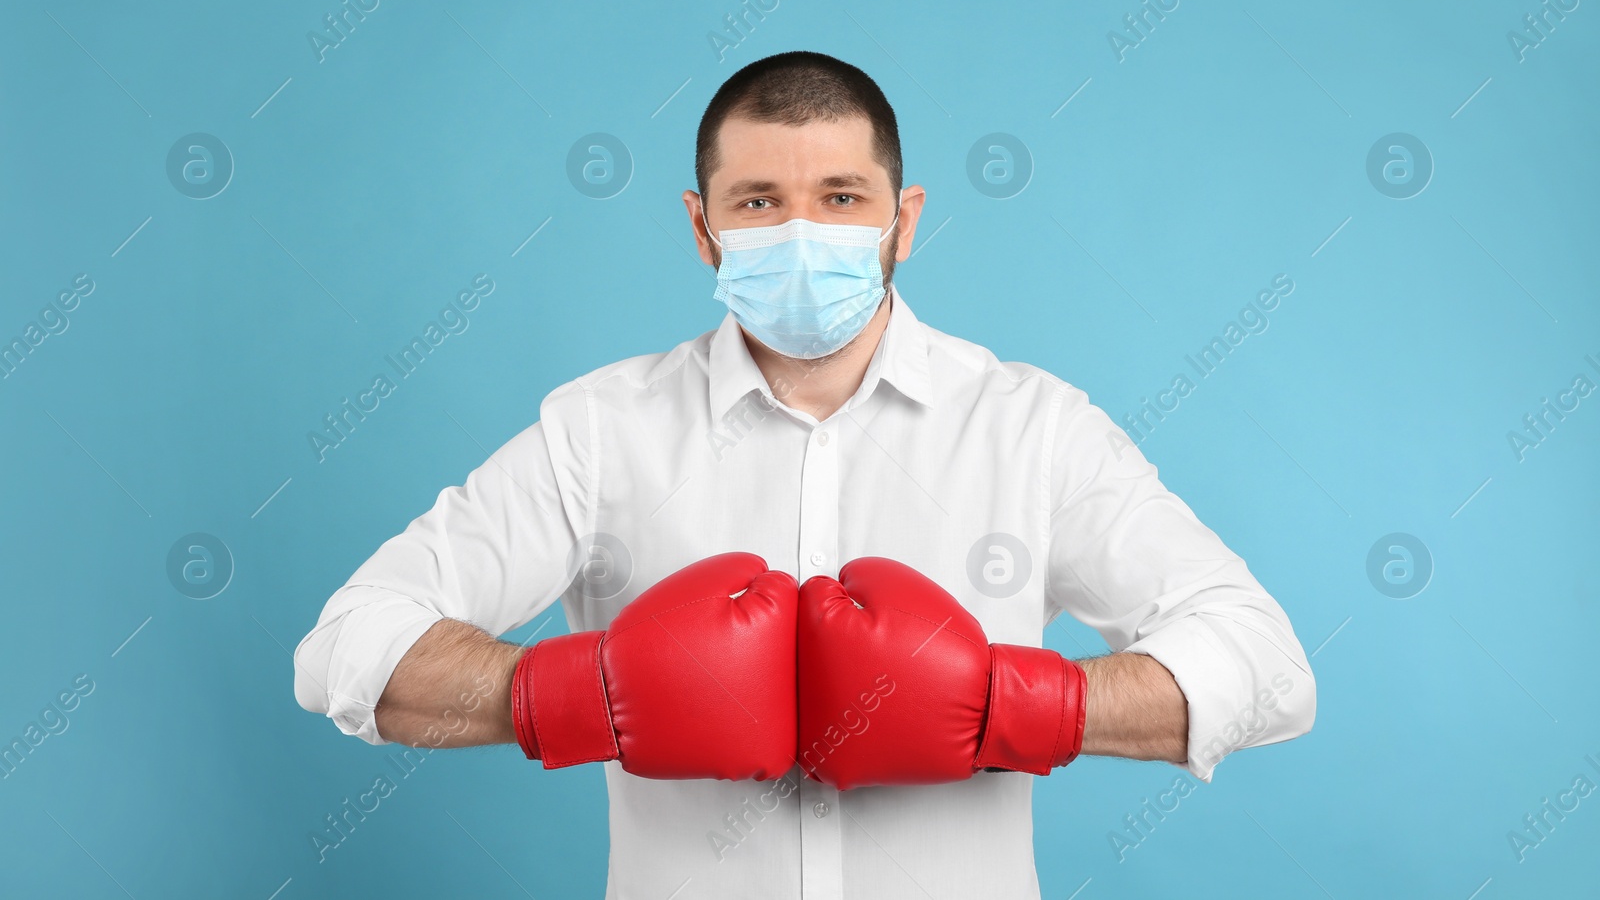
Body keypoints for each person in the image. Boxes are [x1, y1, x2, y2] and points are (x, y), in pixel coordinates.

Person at [293, 50, 1315, 898]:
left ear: (902, 220)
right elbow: (347, 648)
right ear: (702, 228)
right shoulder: (599, 431)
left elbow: (1267, 668)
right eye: (758, 201)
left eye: (839, 197)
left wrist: (1012, 703)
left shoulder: (1031, 427)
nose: (800, 233)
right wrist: (582, 691)